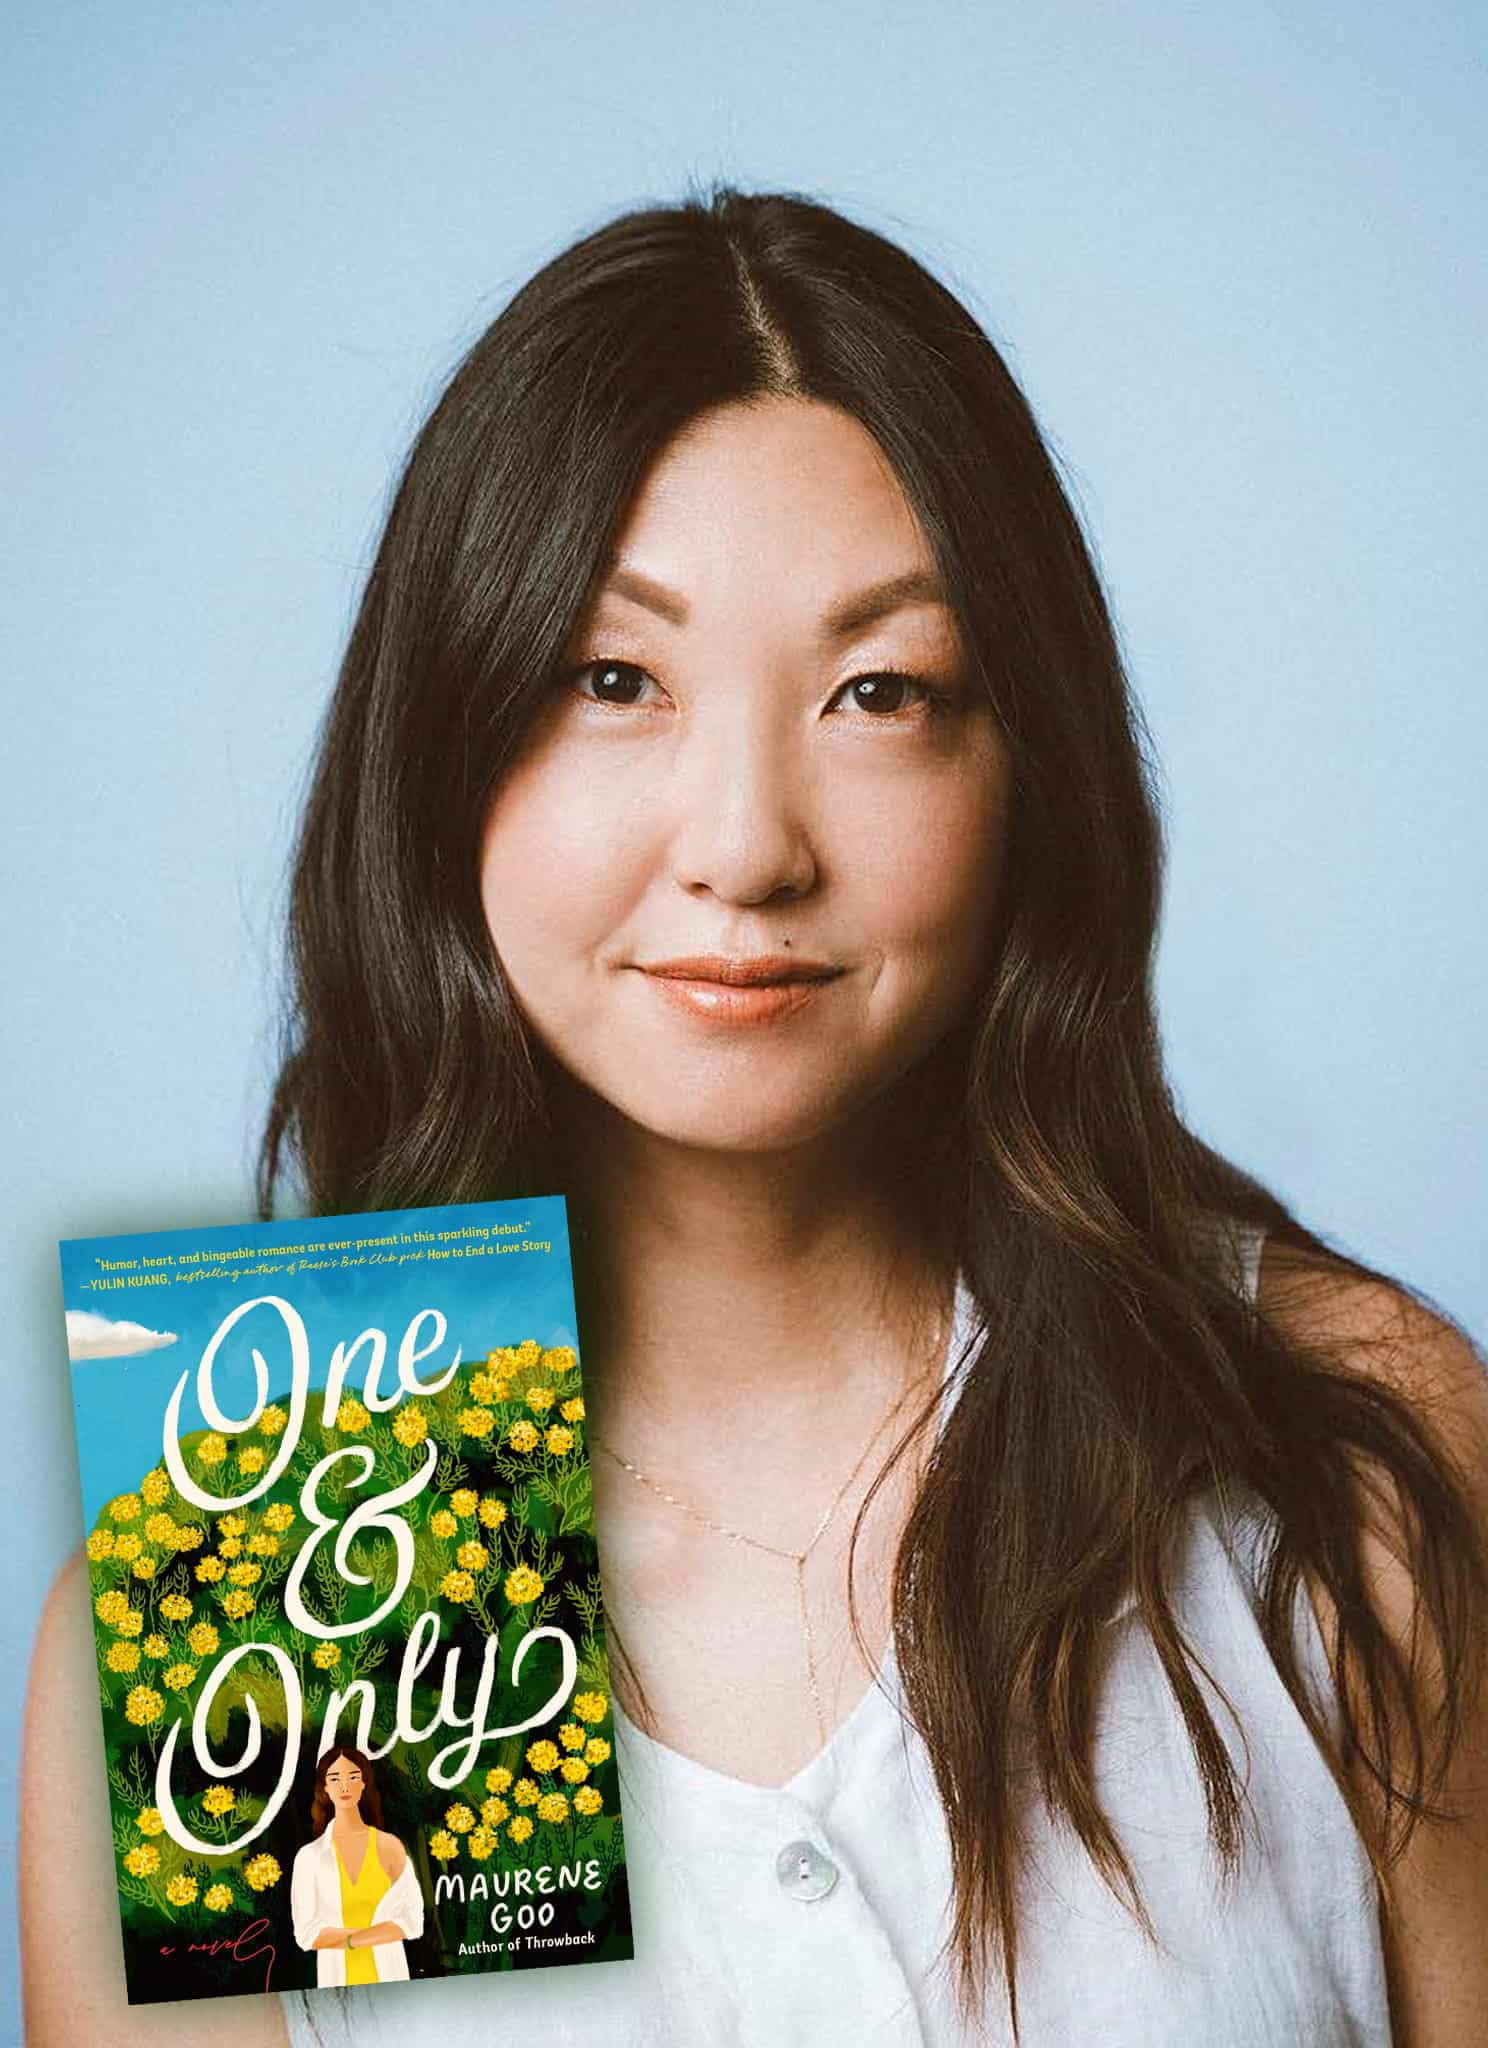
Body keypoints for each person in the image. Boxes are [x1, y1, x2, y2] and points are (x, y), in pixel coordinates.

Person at [20, 187, 1488, 2047]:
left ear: (1022, 763)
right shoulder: (279, 1557)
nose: (742, 846)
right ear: (447, 739)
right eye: (610, 679)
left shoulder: (1341, 1448)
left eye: (880, 690)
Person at [290, 1747, 423, 1989]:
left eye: (352, 1777)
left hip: (390, 1980)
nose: (344, 1786)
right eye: (334, 1779)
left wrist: (346, 1939)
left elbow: (412, 1922)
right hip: (337, 1985)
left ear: (363, 1783)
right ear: (325, 1789)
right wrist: (375, 1934)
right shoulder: (309, 1858)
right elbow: (307, 1934)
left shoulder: (389, 1846)